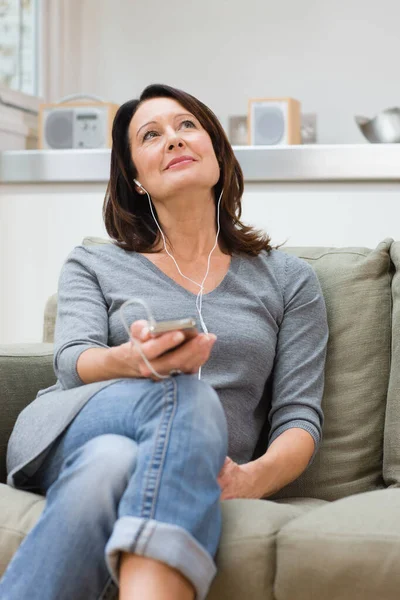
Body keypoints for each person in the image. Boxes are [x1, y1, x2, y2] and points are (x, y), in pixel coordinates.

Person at [0, 83, 329, 600]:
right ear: (136, 177)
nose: (173, 139)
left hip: (167, 459)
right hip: (69, 426)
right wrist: (131, 362)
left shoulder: (289, 281)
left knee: (112, 463)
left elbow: (299, 416)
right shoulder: (94, 263)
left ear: (217, 151)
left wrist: (253, 479)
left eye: (186, 126)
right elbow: (71, 361)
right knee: (184, 392)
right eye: (151, 135)